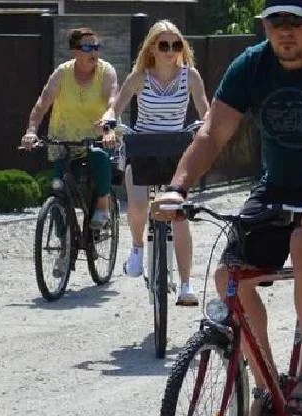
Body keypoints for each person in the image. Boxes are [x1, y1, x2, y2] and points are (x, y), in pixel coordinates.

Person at [151, 1, 302, 416]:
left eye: (295, 22)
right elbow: (212, 132)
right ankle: (266, 385)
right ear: (265, 25)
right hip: (281, 186)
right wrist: (178, 188)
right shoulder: (251, 66)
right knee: (229, 276)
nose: (285, 32)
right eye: (276, 23)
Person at [101, 21, 209, 305]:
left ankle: (186, 285)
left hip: (176, 150)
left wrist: (205, 129)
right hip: (143, 147)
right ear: (152, 48)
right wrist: (109, 126)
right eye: (164, 45)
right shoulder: (138, 78)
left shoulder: (191, 76)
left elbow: (205, 111)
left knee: (179, 216)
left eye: (176, 45)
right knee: (137, 204)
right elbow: (115, 108)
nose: (171, 51)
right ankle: (137, 249)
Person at [21, 27, 119, 273]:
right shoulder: (62, 74)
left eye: (96, 47)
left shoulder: (106, 72)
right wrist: (31, 130)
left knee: (99, 157)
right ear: (75, 51)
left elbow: (111, 103)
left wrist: (108, 128)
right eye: (87, 47)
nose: (93, 52)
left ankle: (103, 207)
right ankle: (64, 247)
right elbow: (42, 103)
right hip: (63, 142)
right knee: (57, 189)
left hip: (94, 139)